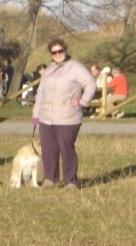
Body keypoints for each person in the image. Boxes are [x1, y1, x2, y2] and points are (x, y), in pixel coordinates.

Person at [32, 38, 96, 189]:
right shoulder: (48, 70)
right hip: (46, 118)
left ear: (65, 50)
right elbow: (40, 93)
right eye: (54, 52)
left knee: (66, 148)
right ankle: (50, 179)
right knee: (48, 149)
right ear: (51, 54)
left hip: (68, 117)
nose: (57, 54)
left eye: (60, 51)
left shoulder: (76, 67)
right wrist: (36, 114)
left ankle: (71, 181)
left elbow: (91, 84)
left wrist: (82, 101)